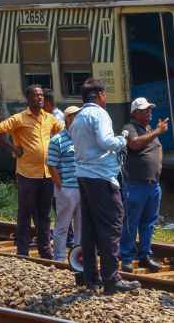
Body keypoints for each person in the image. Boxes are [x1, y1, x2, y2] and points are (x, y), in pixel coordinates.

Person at [69, 78, 140, 294]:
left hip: (84, 177)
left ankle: (91, 277)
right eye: (105, 94)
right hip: (101, 178)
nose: (106, 98)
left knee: (90, 229)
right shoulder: (99, 114)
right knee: (112, 225)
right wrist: (122, 138)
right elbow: (106, 142)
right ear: (99, 94)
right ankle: (112, 279)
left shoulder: (78, 117)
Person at [0, 84, 61, 258]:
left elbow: (64, 131)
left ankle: (45, 250)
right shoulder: (19, 118)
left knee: (44, 215)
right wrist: (13, 148)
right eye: (36, 96)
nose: (40, 98)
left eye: (41, 96)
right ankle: (22, 251)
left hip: (46, 174)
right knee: (25, 213)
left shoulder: (49, 118)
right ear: (28, 99)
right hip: (27, 174)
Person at [120, 97, 168, 273]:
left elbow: (158, 147)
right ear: (135, 113)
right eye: (145, 110)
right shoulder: (129, 128)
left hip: (153, 185)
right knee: (131, 221)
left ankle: (144, 255)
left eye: (150, 110)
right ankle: (126, 256)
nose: (149, 113)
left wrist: (159, 166)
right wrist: (157, 131)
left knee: (149, 222)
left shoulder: (148, 129)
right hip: (136, 184)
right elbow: (134, 144)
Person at [46, 105, 82, 261]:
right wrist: (61, 186)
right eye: (75, 116)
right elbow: (51, 165)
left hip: (82, 187)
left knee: (81, 226)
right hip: (67, 188)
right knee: (62, 225)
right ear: (68, 118)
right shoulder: (57, 140)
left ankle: (78, 258)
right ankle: (59, 257)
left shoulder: (82, 139)